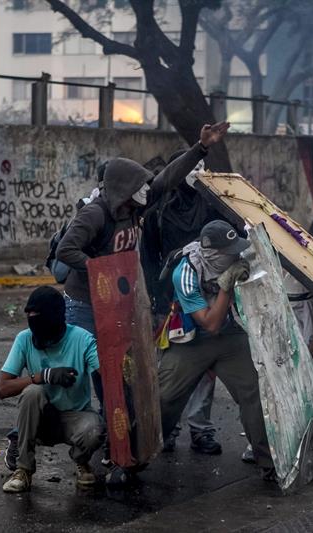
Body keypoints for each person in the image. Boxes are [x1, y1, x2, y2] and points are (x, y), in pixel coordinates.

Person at [56, 122, 230, 471]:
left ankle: (121, 441)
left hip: (116, 304)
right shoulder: (96, 214)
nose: (146, 191)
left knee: (123, 375)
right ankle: (92, 440)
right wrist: (99, 269)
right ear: (123, 188)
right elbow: (65, 249)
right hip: (86, 305)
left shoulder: (135, 209)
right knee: (97, 374)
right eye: (139, 186)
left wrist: (200, 147)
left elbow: (166, 179)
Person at [159, 220, 275, 480]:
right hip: (192, 339)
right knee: (165, 397)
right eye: (229, 252)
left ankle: (271, 462)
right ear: (212, 254)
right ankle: (136, 457)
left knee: (254, 393)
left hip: (230, 336)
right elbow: (209, 323)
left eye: (237, 250)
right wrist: (226, 285)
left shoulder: (236, 260)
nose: (235, 256)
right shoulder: (186, 271)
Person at [141, 152, 224, 455]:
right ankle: (169, 428)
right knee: (171, 367)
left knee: (206, 364)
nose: (198, 172)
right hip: (170, 300)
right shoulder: (159, 211)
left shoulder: (214, 205)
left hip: (209, 295)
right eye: (193, 167)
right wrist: (154, 300)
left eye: (203, 166)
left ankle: (201, 428)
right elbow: (148, 257)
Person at [0, 286, 103, 493]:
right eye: (30, 316)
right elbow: (2, 389)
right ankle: (23, 468)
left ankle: (81, 461)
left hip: (75, 416)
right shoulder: (25, 339)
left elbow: (106, 373)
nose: (33, 322)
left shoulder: (82, 338)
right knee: (32, 392)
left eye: (39, 317)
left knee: (96, 430)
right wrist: (42, 376)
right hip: (41, 418)